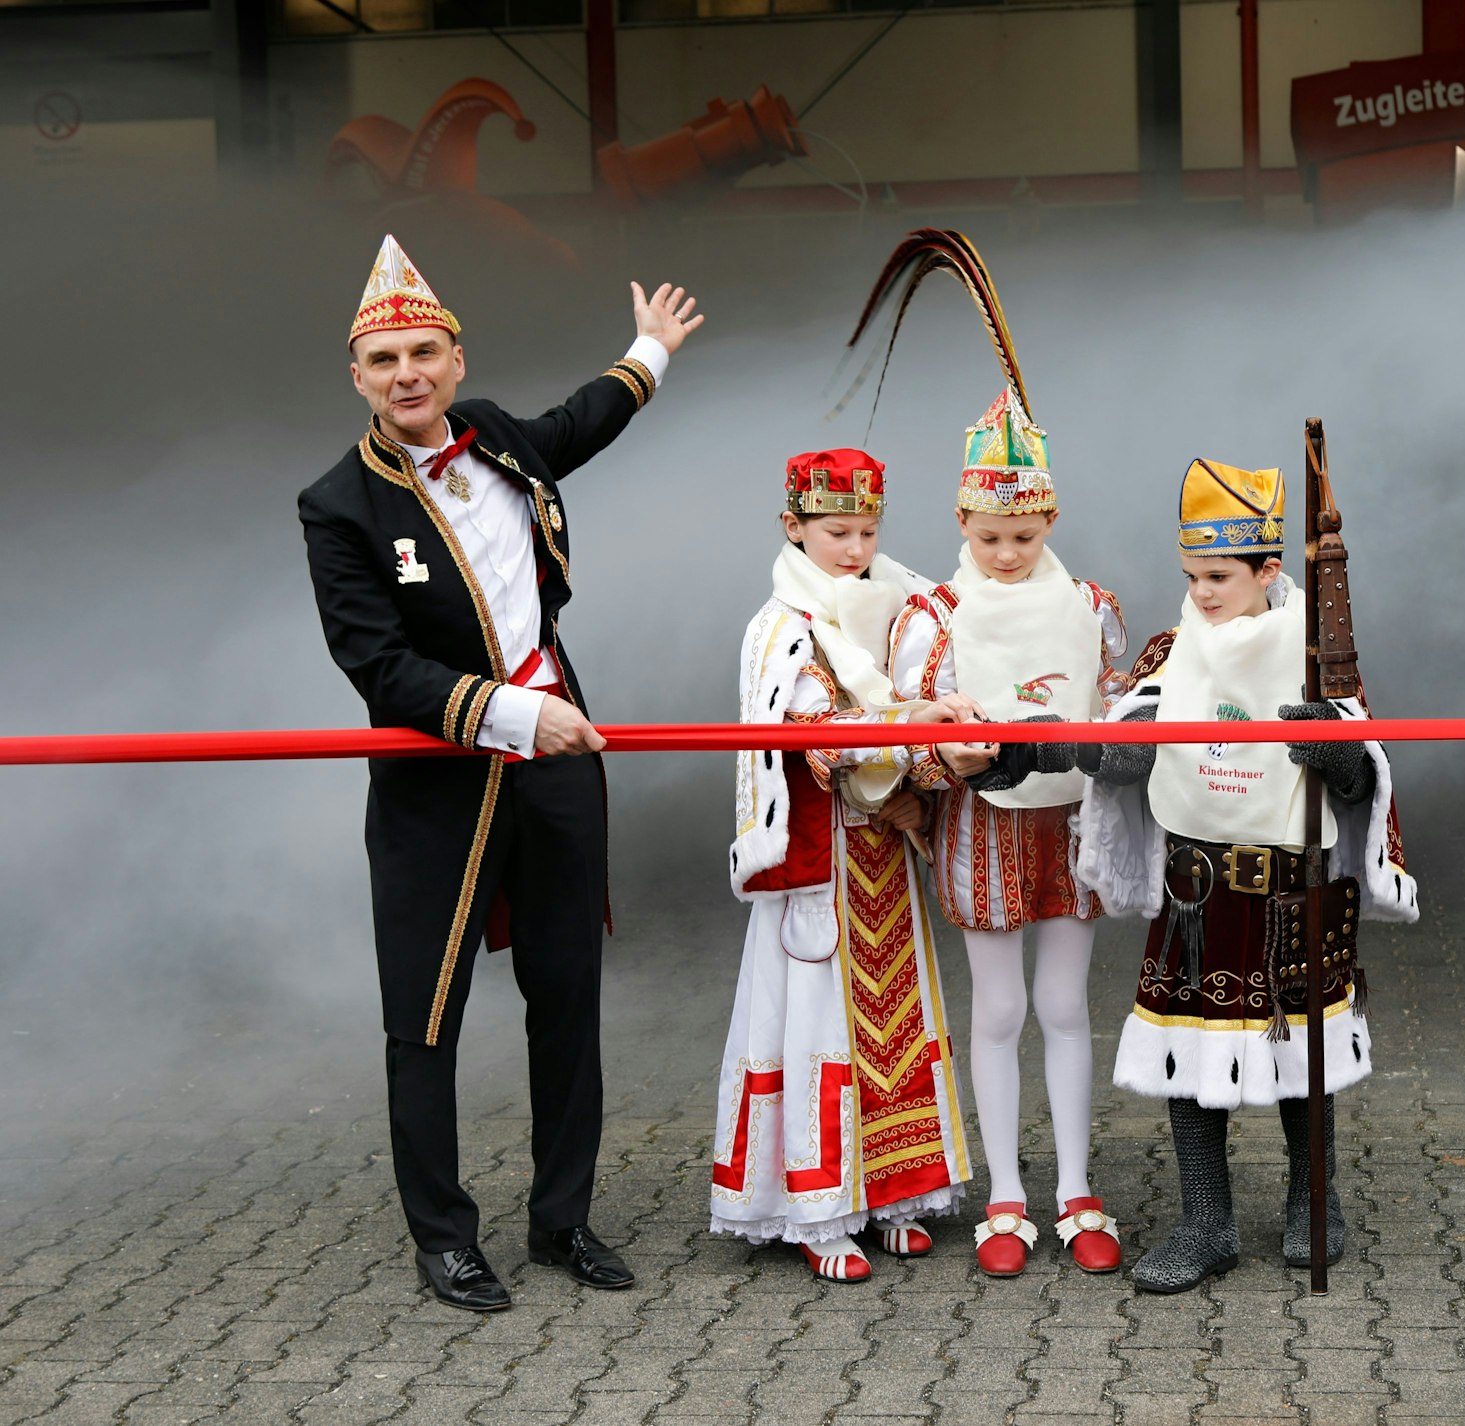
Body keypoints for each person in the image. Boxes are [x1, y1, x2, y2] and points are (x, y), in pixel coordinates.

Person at [298, 235, 702, 1311]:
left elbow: (582, 422)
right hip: (440, 783)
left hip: (558, 770)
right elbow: (376, 667)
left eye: (422, 353)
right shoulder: (337, 505)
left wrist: (648, 353)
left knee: (566, 995)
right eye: (384, 362)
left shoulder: (498, 437)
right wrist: (520, 712)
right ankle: (443, 1237)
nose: (407, 376)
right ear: (358, 378)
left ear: (455, 359)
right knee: (423, 1014)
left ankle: (561, 1219)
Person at [988, 458, 1419, 1292]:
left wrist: (1334, 758)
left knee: (1305, 1057)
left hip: (1294, 884)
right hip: (1198, 890)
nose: (1203, 592)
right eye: (1192, 576)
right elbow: (1120, 754)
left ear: (1268, 570)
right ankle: (1205, 1224)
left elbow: (1368, 785)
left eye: (1219, 576)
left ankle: (1310, 1205)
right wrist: (1029, 745)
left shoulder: (1318, 660)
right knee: (1189, 1059)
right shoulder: (1169, 650)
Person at [713, 448, 977, 1282]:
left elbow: (901, 700)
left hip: (883, 854)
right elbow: (818, 734)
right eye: (835, 531)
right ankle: (817, 1207)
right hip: (821, 852)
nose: (854, 548)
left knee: (895, 1026)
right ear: (792, 526)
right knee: (816, 1025)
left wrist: (912, 779)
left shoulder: (894, 603)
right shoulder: (781, 625)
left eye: (866, 530)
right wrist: (909, 732)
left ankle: (894, 1194)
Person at [888, 391, 1127, 1277]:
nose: (1005, 553)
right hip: (983, 826)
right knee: (997, 1009)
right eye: (989, 536)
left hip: (1071, 821)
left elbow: (1113, 709)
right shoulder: (934, 614)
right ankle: (1002, 1197)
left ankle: (1074, 1188)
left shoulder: (1092, 603)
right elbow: (905, 741)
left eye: (1022, 538)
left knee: (1065, 1005)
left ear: (1048, 521)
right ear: (961, 519)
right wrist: (947, 752)